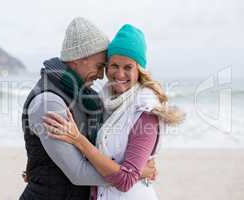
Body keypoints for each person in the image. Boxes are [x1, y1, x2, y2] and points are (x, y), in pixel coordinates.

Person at [19, 18, 156, 200]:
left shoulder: (85, 96)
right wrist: (137, 173)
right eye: (100, 66)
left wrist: (133, 166)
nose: (101, 75)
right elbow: (79, 173)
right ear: (79, 59)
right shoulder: (49, 102)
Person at [44, 24, 184, 199]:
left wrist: (78, 140)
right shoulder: (106, 102)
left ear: (139, 70)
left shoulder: (145, 111)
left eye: (128, 67)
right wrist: (39, 169)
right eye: (114, 65)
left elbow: (126, 180)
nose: (119, 74)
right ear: (106, 67)